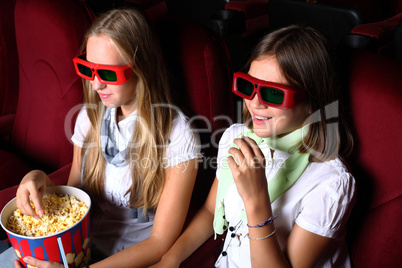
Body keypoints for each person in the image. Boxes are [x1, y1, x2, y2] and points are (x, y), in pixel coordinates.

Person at [1, 7, 201, 268]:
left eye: (107, 74)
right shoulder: (89, 116)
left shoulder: (177, 135)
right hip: (76, 248)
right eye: (88, 69)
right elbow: (73, 198)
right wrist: (37, 178)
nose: (96, 85)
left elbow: (159, 243)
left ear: (141, 69)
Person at [152, 25, 356, 268]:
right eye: (248, 86)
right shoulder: (236, 137)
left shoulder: (331, 183)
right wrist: (169, 260)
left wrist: (256, 200)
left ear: (312, 101)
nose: (254, 102)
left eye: (273, 93)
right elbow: (209, 212)